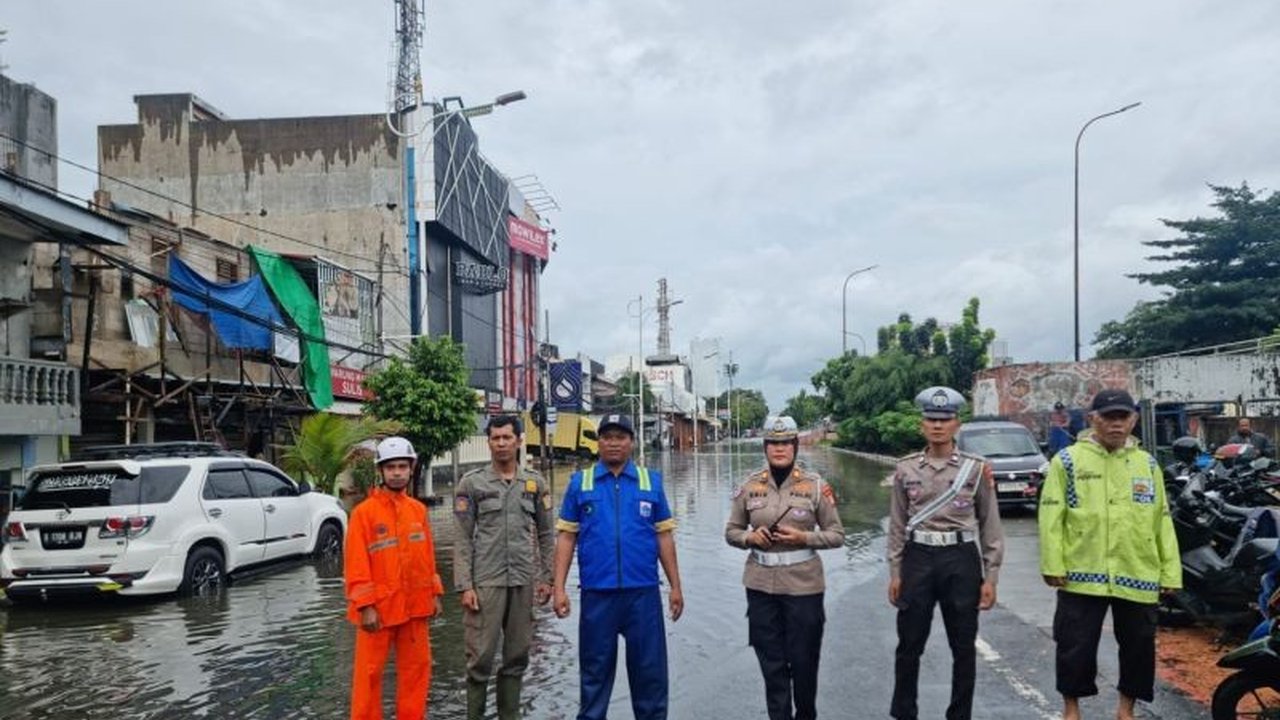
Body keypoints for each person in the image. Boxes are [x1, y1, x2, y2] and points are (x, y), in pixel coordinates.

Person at [1039, 388, 1182, 720]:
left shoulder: (1147, 464)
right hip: (1081, 572)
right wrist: (1052, 563)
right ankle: (1071, 709)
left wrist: (1170, 571)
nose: (1116, 425)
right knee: (1074, 645)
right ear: (1093, 420)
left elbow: (1162, 518)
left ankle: (1125, 710)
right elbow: (1050, 516)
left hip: (1138, 570)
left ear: (1133, 419)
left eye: (1123, 417)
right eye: (1109, 417)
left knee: (1138, 646)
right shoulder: (1069, 461)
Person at [552, 412, 684, 720]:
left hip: (643, 595)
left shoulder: (650, 482)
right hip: (598, 596)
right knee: (594, 677)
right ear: (598, 442)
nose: (613, 443)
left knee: (650, 677)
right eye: (607, 437)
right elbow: (566, 538)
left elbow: (663, 535)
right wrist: (559, 588)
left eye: (620, 437)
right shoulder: (579, 483)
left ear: (632, 443)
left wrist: (676, 586)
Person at [887, 386, 1004, 720]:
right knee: (909, 645)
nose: (937, 425)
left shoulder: (977, 468)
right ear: (921, 424)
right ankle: (904, 712)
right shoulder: (905, 469)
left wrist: (991, 576)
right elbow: (897, 525)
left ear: (957, 424)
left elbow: (990, 525)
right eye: (930, 419)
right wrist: (895, 572)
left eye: (945, 419)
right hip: (918, 558)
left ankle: (959, 715)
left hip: (961, 560)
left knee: (963, 647)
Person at [725, 415, 845, 720]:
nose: (779, 449)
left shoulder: (816, 486)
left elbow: (837, 535)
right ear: (765, 447)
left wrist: (804, 536)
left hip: (804, 587)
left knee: (804, 663)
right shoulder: (750, 486)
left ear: (794, 446)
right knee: (772, 664)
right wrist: (750, 537)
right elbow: (731, 531)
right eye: (773, 443)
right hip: (761, 587)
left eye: (785, 443)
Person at [454, 415, 556, 720]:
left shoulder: (535, 483)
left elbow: (547, 534)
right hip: (486, 582)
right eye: (495, 438)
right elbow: (462, 536)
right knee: (480, 659)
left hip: (523, 580)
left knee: (516, 656)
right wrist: (465, 585)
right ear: (488, 442)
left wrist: (547, 577)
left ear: (519, 441)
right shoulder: (472, 483)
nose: (501, 444)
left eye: (506, 438)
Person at [344, 436, 445, 720]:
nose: (397, 472)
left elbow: (427, 555)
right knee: (369, 676)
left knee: (417, 671)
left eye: (402, 466)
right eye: (391, 467)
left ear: (411, 468)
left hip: (415, 607)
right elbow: (356, 564)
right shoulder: (363, 514)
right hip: (378, 610)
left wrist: (435, 592)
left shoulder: (418, 510)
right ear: (381, 471)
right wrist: (365, 606)